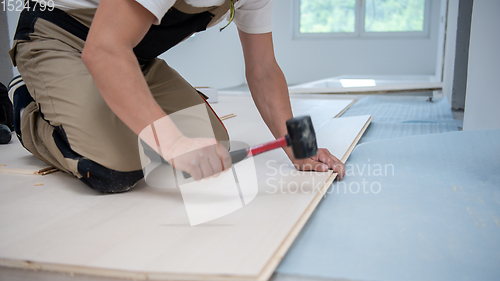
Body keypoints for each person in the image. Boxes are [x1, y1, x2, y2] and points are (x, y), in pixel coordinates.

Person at [9, 0, 345, 193]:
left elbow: (263, 69)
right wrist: (171, 145)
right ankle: (21, 102)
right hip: (60, 36)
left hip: (129, 54)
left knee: (209, 143)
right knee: (114, 167)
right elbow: (105, 49)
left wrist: (294, 145)